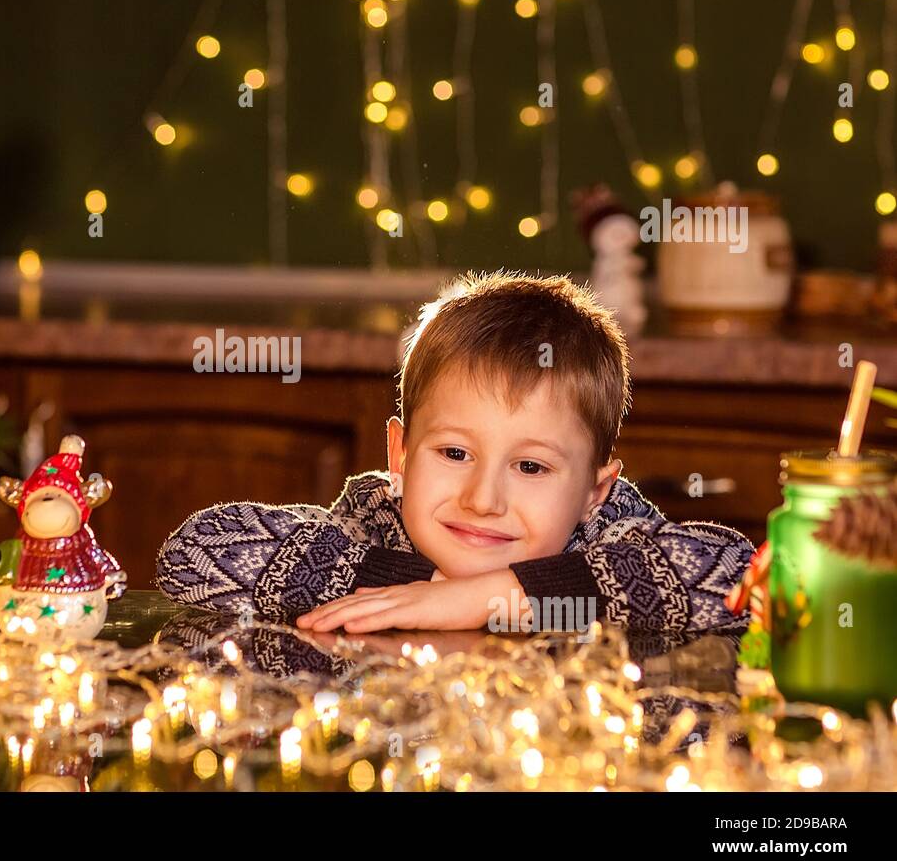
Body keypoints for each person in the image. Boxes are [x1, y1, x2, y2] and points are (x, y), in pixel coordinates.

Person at [155, 270, 753, 635]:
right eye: (455, 454)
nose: (482, 500)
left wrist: (493, 599)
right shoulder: (374, 521)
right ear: (401, 453)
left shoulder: (608, 533)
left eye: (531, 466)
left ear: (594, 492)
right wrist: (406, 586)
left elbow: (734, 577)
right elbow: (198, 551)